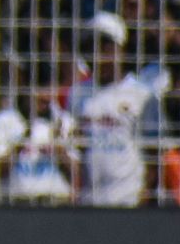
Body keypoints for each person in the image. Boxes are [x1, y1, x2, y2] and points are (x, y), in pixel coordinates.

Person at [70, 13, 164, 208]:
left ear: (120, 48)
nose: (98, 55)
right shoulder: (77, 94)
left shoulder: (142, 95)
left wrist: (144, 199)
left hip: (128, 200)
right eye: (92, 47)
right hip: (89, 202)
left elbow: (155, 156)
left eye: (105, 47)